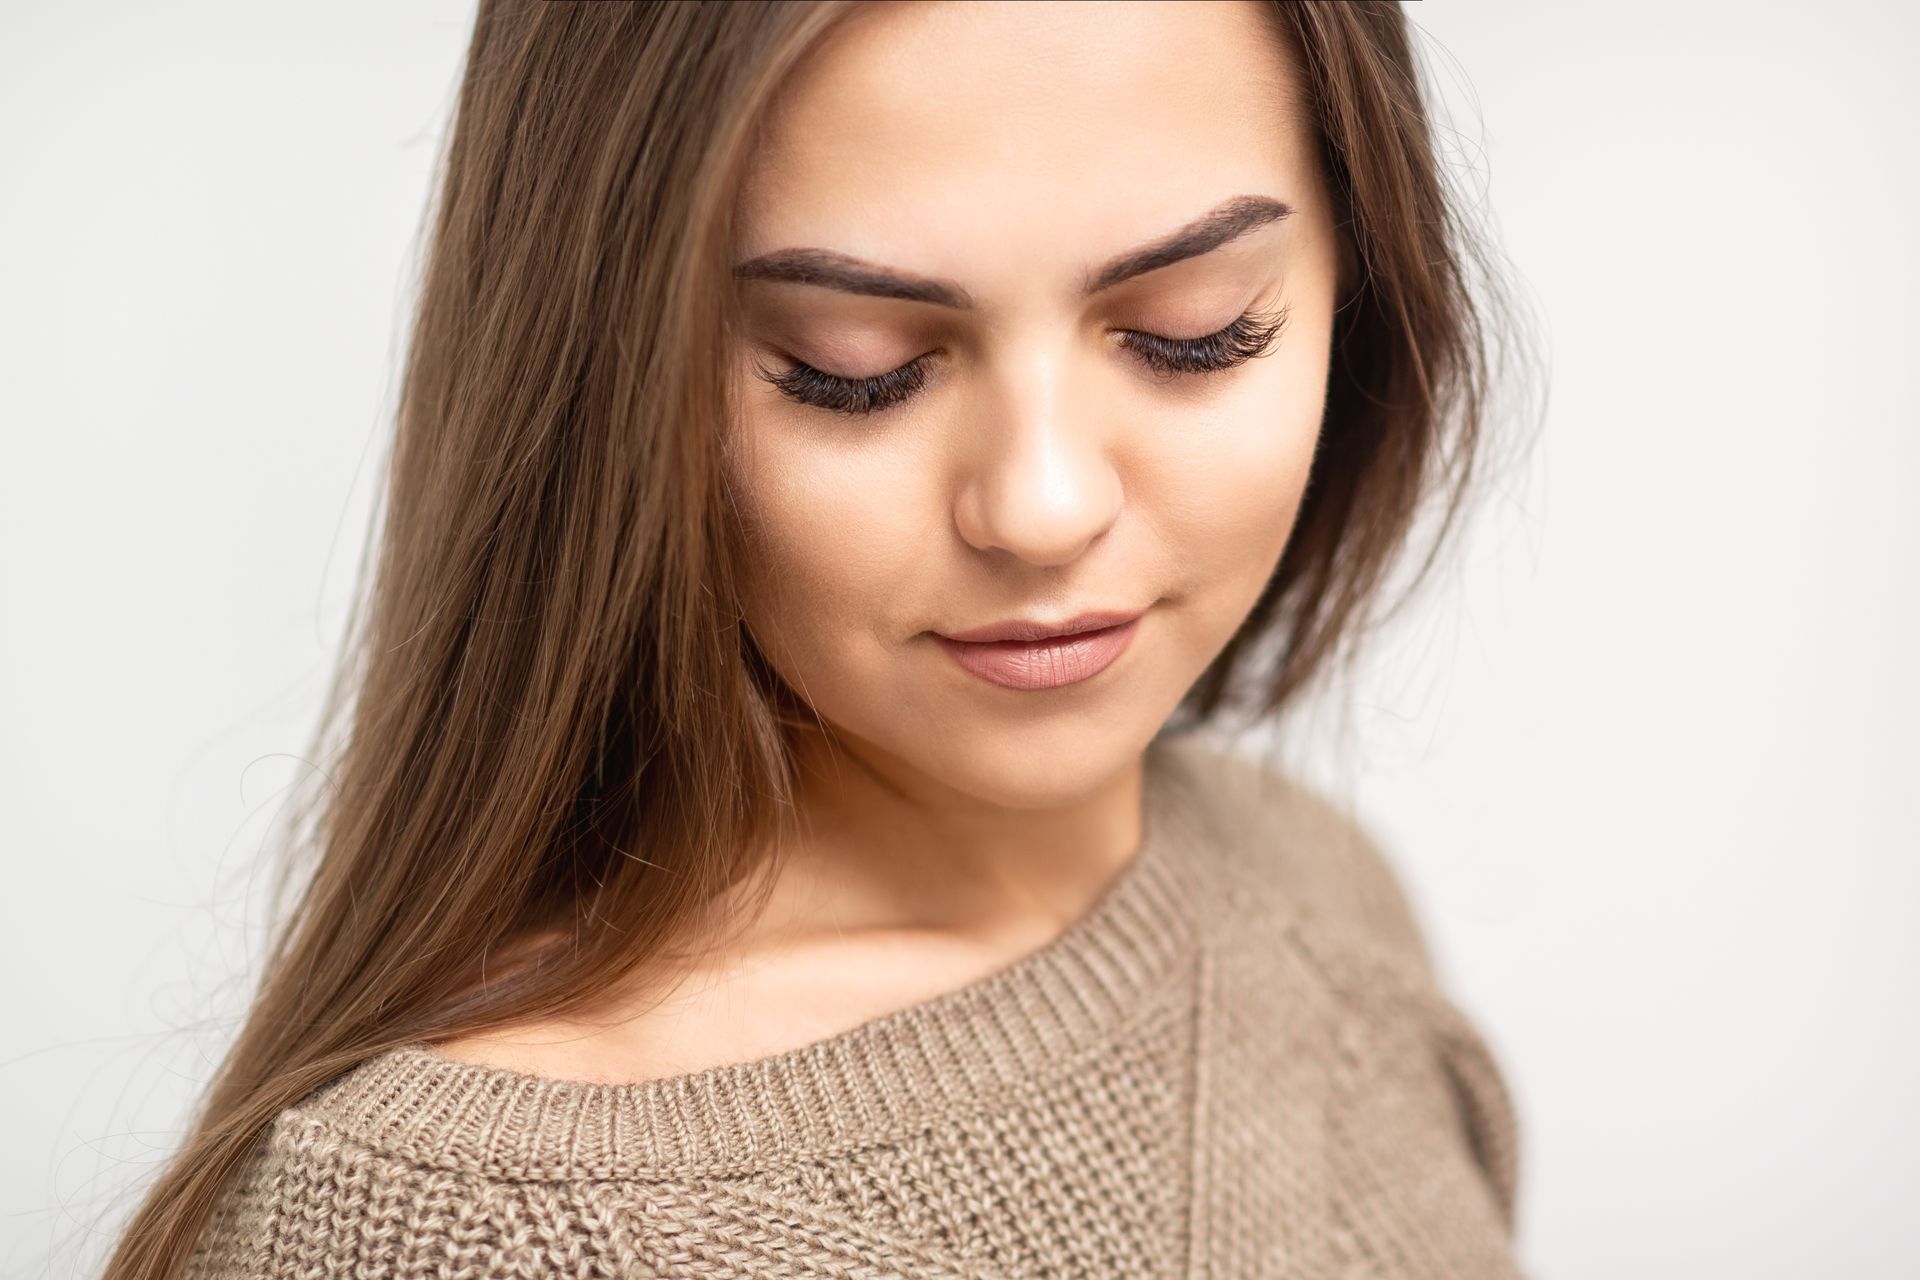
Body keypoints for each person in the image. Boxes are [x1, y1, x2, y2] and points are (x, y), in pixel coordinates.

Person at [104, 2, 1533, 1276]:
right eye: (858, 375)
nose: (1041, 506)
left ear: (1361, 279)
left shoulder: (1317, 888)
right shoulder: (447, 1225)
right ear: (614, 370)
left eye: (1194, 333)